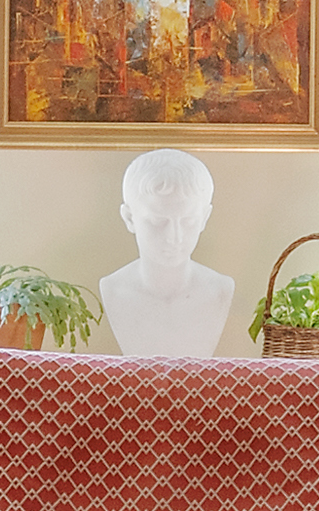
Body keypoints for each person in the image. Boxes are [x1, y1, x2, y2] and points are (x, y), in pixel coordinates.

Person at [97, 146, 235, 356]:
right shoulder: (113, 289)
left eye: (188, 221)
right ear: (129, 218)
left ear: (204, 218)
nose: (175, 236)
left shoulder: (220, 290)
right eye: (157, 221)